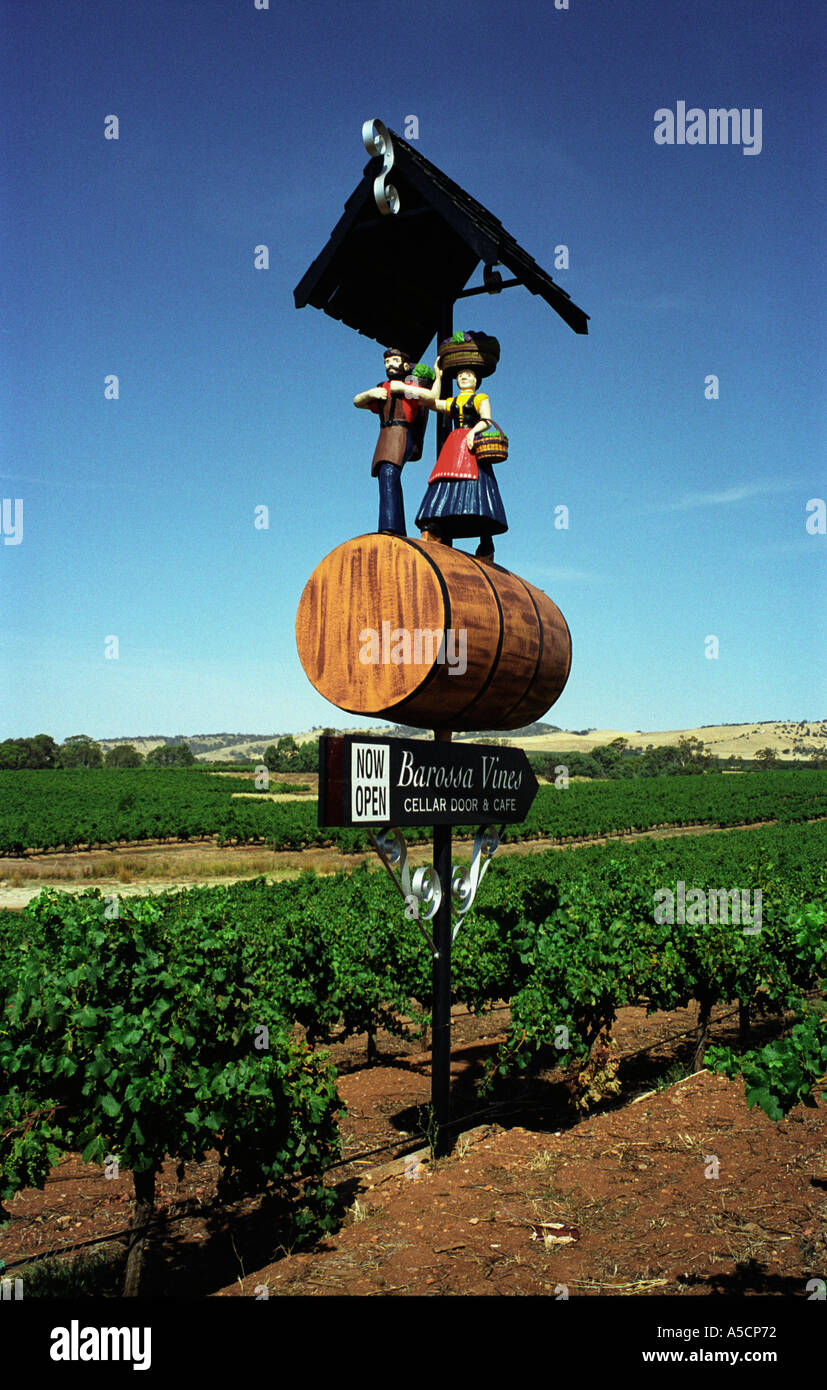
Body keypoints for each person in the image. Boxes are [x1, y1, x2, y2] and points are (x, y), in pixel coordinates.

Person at [415, 357, 508, 561]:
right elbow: (431, 402)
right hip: (454, 446)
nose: (464, 377)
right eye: (460, 375)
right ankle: (435, 528)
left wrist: (473, 432)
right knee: (444, 481)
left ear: (477, 380)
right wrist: (438, 376)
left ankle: (486, 543)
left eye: (469, 374)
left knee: (478, 487)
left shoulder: (480, 398)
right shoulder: (454, 401)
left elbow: (487, 420)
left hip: (471, 445)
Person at [353, 348, 431, 536]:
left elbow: (428, 398)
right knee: (384, 474)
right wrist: (370, 394)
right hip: (385, 434)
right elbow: (357, 401)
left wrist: (403, 388)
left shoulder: (409, 385)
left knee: (389, 472)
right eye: (387, 362)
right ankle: (392, 525)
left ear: (405, 365)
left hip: (400, 433)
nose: (390, 365)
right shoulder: (383, 387)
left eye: (394, 360)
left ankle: (391, 526)